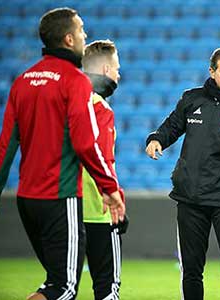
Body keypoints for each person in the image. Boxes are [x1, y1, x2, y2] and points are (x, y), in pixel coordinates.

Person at [0, 8, 125, 300]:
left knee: (54, 284)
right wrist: (110, 187)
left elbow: (6, 144)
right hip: (61, 198)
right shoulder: (75, 82)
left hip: (26, 199)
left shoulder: (23, 81)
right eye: (81, 31)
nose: (84, 36)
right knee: (65, 289)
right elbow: (85, 144)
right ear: (68, 39)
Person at [145, 47, 220, 300]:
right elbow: (171, 126)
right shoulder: (192, 99)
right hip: (190, 197)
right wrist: (156, 139)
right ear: (212, 72)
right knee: (191, 269)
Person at [81, 39, 128, 300]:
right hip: (99, 210)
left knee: (59, 287)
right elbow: (102, 159)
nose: (119, 74)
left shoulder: (66, 103)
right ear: (107, 70)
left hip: (66, 207)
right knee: (107, 289)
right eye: (117, 68)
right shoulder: (98, 107)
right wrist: (115, 195)